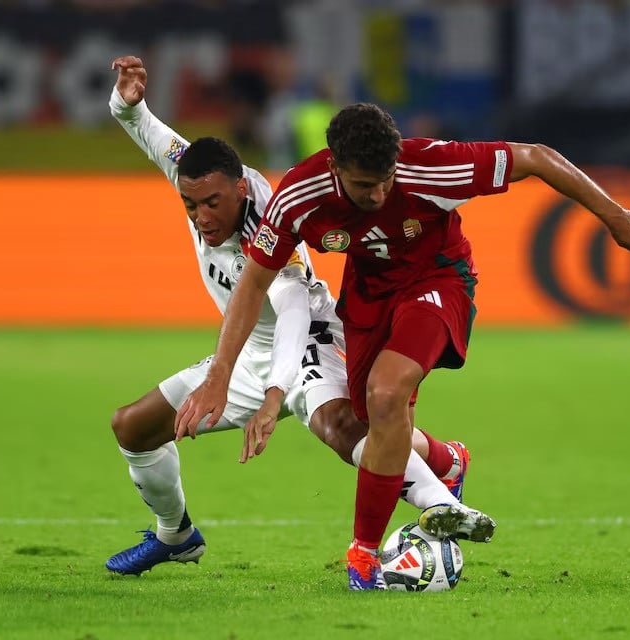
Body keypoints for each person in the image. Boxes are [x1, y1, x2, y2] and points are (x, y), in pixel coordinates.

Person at [174, 102, 630, 590]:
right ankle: (447, 461)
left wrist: (614, 216)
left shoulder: (432, 165)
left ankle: (363, 557)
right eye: (365, 184)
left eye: (387, 178)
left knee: (386, 394)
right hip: (368, 298)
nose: (381, 192)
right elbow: (254, 284)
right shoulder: (300, 194)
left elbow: (536, 156)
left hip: (437, 280)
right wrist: (218, 376)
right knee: (376, 426)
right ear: (335, 168)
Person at [104, 57, 492, 578]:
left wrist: (274, 394)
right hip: (246, 352)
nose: (201, 217)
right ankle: (176, 536)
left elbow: (288, 309)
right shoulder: (198, 182)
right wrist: (129, 103)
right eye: (190, 205)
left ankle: (440, 502)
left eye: (211, 204)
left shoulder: (271, 220)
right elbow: (150, 134)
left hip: (308, 334)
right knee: (133, 427)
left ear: (241, 188)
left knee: (339, 426)